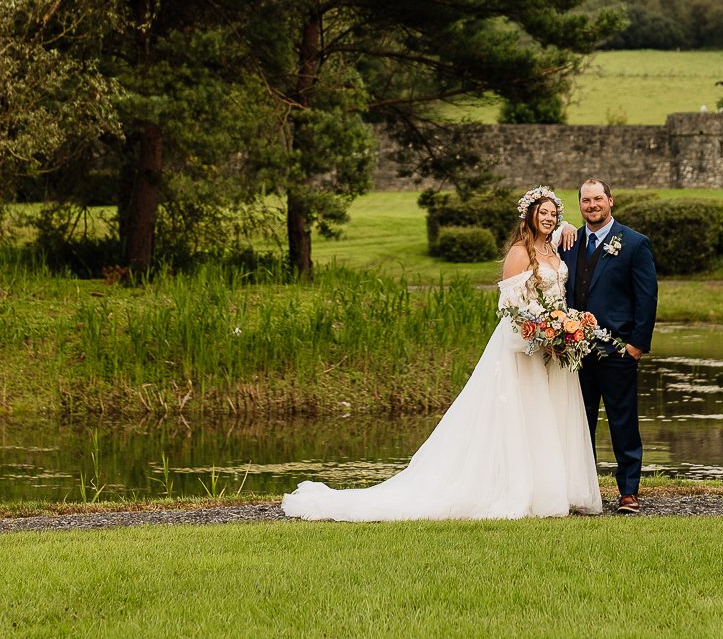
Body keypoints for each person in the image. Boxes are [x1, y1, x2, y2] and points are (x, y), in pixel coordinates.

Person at [281, 187, 602, 521]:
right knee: (525, 416)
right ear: (529, 215)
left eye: (553, 214)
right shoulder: (519, 252)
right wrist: (540, 332)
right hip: (526, 345)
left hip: (555, 346)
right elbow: (510, 306)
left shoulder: (555, 245)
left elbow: (561, 284)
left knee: (548, 416)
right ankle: (519, 490)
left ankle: (551, 490)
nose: (548, 218)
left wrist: (564, 329)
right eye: (542, 213)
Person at [562, 178, 656, 513]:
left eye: (598, 199)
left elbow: (647, 297)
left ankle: (628, 492)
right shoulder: (569, 242)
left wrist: (637, 346)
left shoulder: (634, 243)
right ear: (580, 206)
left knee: (623, 421)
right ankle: (581, 490)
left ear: (611, 201)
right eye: (586, 201)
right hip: (575, 351)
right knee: (578, 421)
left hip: (617, 349)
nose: (592, 205)